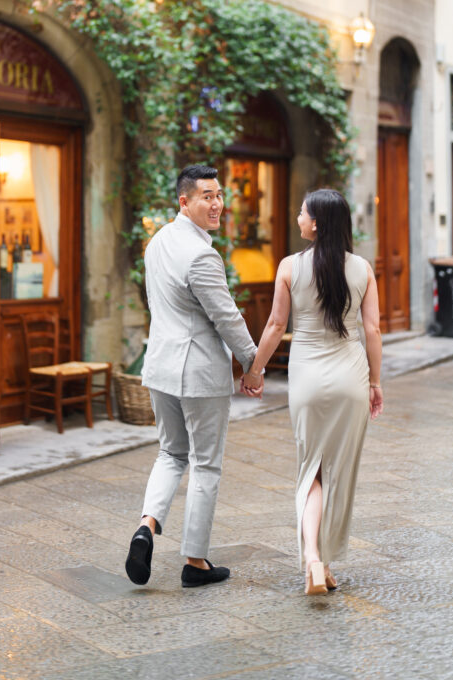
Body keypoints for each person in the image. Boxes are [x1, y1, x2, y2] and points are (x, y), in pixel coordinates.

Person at [125, 164, 262, 589]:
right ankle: (195, 562)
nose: (217, 203)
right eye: (207, 196)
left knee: (170, 453)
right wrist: (254, 364)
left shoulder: (157, 242)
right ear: (184, 201)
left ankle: (146, 526)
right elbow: (227, 317)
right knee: (205, 465)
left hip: (161, 367)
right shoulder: (201, 254)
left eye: (219, 195)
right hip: (198, 372)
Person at [243, 189, 383, 595]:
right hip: (351, 376)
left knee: (311, 470)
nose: (298, 218)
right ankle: (320, 561)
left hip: (306, 377)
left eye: (302, 213)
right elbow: (371, 331)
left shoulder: (289, 266)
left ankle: (312, 560)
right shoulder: (362, 269)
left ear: (317, 223)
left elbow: (273, 326)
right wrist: (375, 383)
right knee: (338, 472)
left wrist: (254, 371)